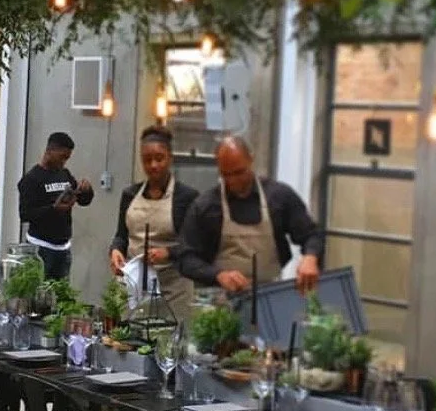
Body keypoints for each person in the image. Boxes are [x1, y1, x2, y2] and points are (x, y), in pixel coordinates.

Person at [178, 134, 324, 295]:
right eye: (226, 175)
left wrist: (310, 258)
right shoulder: (205, 206)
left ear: (251, 159)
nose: (233, 181)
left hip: (269, 294)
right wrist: (218, 275)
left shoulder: (279, 197)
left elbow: (312, 234)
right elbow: (186, 259)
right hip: (219, 299)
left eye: (239, 172)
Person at [109, 125, 199, 322]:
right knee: (130, 342)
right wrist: (115, 251)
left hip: (173, 287)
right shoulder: (130, 195)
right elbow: (121, 236)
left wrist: (168, 253)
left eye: (159, 158)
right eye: (147, 160)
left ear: (170, 157)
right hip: (135, 284)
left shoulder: (187, 197)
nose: (154, 165)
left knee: (172, 344)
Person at [17, 131, 94, 281]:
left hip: (63, 248)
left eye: (67, 158)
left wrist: (87, 192)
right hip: (41, 248)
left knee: (61, 296)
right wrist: (53, 209)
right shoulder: (31, 179)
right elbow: (25, 214)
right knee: (39, 294)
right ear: (49, 151)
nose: (64, 162)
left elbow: (82, 201)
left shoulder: (64, 174)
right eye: (62, 157)